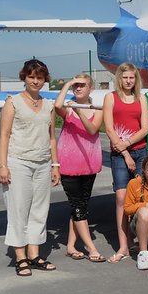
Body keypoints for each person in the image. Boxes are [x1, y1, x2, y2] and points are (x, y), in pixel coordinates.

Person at [0, 58, 60, 276]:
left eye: (40, 77)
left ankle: (35, 255)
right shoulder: (12, 102)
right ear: (24, 77)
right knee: (18, 210)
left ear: (45, 80)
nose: (35, 81)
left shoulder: (49, 105)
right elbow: (4, 135)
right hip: (19, 162)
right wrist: (3, 165)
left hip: (43, 163)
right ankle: (20, 257)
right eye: (32, 76)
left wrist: (55, 165)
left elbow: (52, 137)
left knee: (39, 211)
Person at [54, 74, 105, 262]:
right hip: (69, 165)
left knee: (80, 207)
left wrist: (79, 110)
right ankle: (91, 248)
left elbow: (92, 129)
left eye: (82, 85)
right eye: (76, 85)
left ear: (91, 88)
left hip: (89, 165)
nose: (78, 88)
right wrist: (67, 84)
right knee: (78, 207)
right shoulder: (67, 106)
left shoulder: (97, 108)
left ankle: (70, 246)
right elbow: (57, 106)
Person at [103, 62, 148, 264]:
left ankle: (142, 243)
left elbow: (144, 128)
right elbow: (109, 129)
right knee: (121, 198)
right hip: (120, 156)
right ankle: (124, 244)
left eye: (132, 77)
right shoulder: (110, 98)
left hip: (140, 152)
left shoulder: (141, 99)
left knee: (139, 198)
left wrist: (128, 144)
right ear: (119, 79)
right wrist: (125, 153)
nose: (128, 81)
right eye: (125, 77)